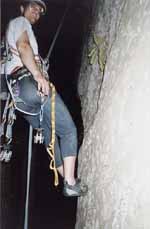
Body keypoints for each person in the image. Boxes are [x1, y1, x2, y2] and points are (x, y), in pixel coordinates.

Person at [4, 0, 88, 197]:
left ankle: (68, 180)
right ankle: (69, 182)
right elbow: (23, 46)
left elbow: (21, 52)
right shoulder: (20, 22)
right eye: (33, 6)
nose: (37, 12)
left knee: (49, 139)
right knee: (68, 130)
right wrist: (38, 75)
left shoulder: (11, 31)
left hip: (22, 101)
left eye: (40, 11)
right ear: (22, 8)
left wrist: (40, 65)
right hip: (30, 84)